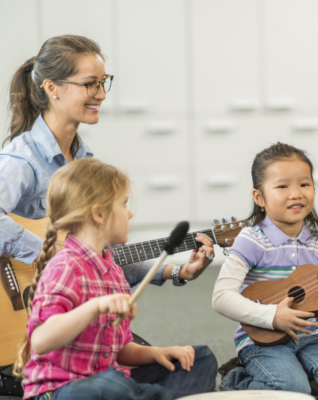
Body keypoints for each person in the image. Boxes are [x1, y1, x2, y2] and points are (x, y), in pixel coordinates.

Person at [0, 35, 213, 396]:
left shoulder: (85, 161)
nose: (100, 93)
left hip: (82, 321)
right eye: (89, 84)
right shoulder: (21, 158)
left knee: (192, 359)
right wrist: (49, 255)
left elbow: (102, 257)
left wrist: (175, 270)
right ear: (52, 88)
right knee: (111, 380)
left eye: (103, 82)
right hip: (39, 316)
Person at [13, 158, 217, 400]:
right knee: (111, 385)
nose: (130, 213)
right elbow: (41, 340)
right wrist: (94, 307)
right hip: (61, 390)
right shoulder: (64, 267)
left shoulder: (114, 272)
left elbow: (119, 351)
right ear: (99, 214)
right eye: (124, 204)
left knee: (199, 358)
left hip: (112, 378)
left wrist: (158, 353)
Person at [213, 143, 318, 399]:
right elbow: (220, 298)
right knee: (290, 389)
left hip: (309, 336)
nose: (296, 193)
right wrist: (273, 317)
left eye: (304, 185)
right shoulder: (251, 239)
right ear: (259, 197)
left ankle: (297, 378)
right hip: (260, 340)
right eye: (283, 186)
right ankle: (235, 379)